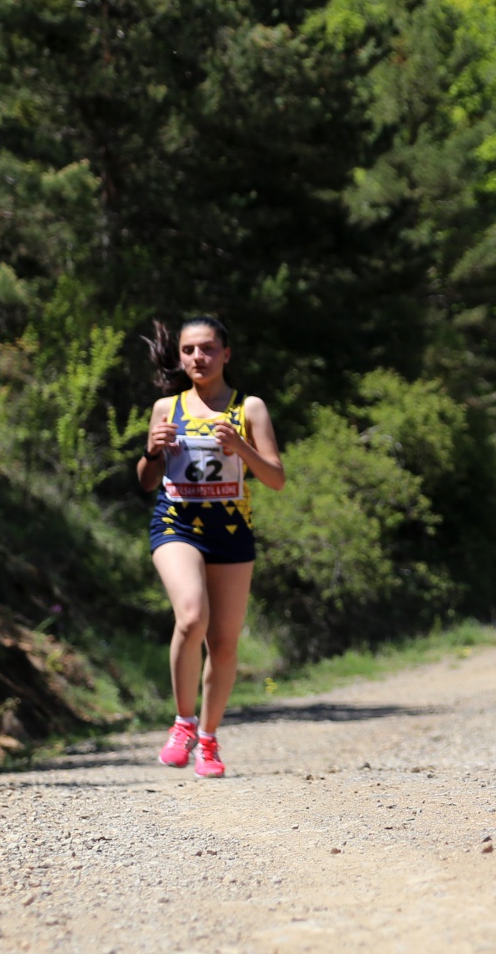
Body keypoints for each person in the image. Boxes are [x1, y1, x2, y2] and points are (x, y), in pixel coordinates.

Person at [137, 317, 285, 778]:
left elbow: (276, 479)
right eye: (188, 350)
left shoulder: (250, 408)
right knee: (191, 615)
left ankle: (208, 738)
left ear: (226, 354)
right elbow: (145, 480)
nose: (197, 358)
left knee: (222, 644)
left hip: (231, 529)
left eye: (206, 349)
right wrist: (152, 451)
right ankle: (183, 722)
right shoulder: (166, 407)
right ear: (180, 356)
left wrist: (241, 447)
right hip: (176, 523)